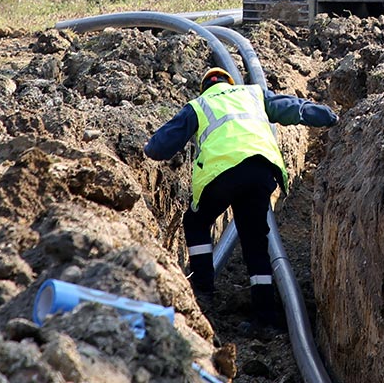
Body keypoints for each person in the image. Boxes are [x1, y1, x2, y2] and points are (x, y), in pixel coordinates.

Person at [144, 66, 338, 331]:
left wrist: (148, 148)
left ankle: (202, 291)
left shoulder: (200, 104)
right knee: (255, 242)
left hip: (221, 174)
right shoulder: (253, 93)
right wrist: (327, 116)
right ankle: (265, 316)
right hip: (261, 171)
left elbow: (160, 147)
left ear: (205, 86)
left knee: (196, 222)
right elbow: (294, 108)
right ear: (230, 82)